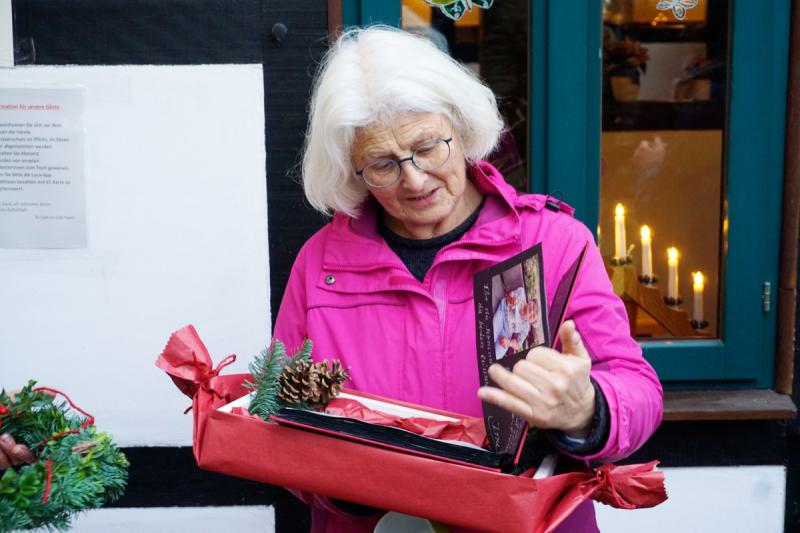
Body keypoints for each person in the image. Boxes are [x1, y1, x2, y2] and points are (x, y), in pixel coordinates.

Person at [273, 26, 662, 532]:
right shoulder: (321, 264)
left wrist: (588, 408)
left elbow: (638, 389)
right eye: (382, 164)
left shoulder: (554, 243)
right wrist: (344, 484)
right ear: (352, 169)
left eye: (429, 146)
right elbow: (280, 414)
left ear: (461, 126)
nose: (414, 179)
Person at [493, 287, 539, 358]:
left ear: (531, 322)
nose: (531, 312)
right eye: (533, 307)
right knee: (491, 335)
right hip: (502, 313)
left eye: (533, 316)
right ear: (531, 301)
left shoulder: (525, 328)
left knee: (497, 355)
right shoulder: (522, 293)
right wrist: (511, 300)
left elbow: (517, 345)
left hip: (507, 332)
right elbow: (508, 296)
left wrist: (509, 343)